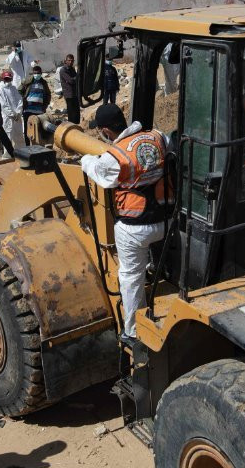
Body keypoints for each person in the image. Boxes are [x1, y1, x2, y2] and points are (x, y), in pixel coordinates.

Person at [78, 104, 170, 341]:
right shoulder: (157, 137)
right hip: (165, 221)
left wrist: (87, 160)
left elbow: (99, 174)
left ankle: (132, 330)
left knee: (130, 275)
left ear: (106, 131)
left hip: (134, 228)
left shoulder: (114, 157)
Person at [0, 71, 24, 152]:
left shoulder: (13, 88)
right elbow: (3, 104)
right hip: (8, 117)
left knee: (19, 134)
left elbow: (19, 100)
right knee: (8, 135)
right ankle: (8, 154)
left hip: (17, 116)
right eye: (6, 79)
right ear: (3, 79)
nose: (8, 81)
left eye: (9, 79)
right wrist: (11, 114)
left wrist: (18, 112)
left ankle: (21, 152)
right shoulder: (0, 89)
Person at [59, 54, 80, 124]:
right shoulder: (63, 70)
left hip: (75, 93)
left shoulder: (72, 69)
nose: (70, 62)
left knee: (77, 112)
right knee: (71, 114)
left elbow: (75, 79)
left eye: (72, 60)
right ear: (66, 61)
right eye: (69, 60)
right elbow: (71, 80)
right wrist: (76, 78)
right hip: (69, 95)